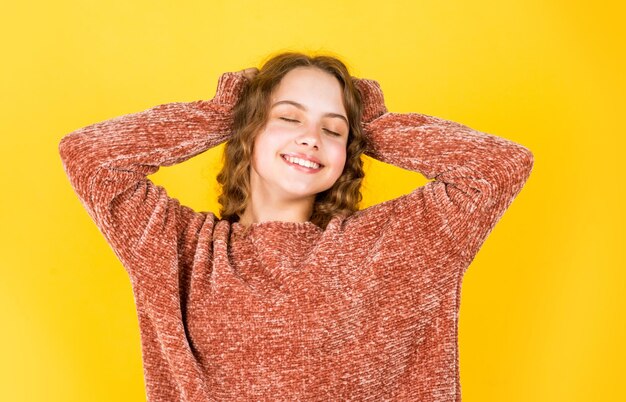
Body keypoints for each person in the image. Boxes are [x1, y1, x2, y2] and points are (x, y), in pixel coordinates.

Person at [58, 51, 534, 401]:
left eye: (334, 129)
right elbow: (91, 158)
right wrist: (223, 113)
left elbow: (499, 167)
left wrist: (377, 125)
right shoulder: (177, 247)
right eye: (288, 117)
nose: (311, 138)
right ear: (249, 132)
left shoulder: (396, 245)